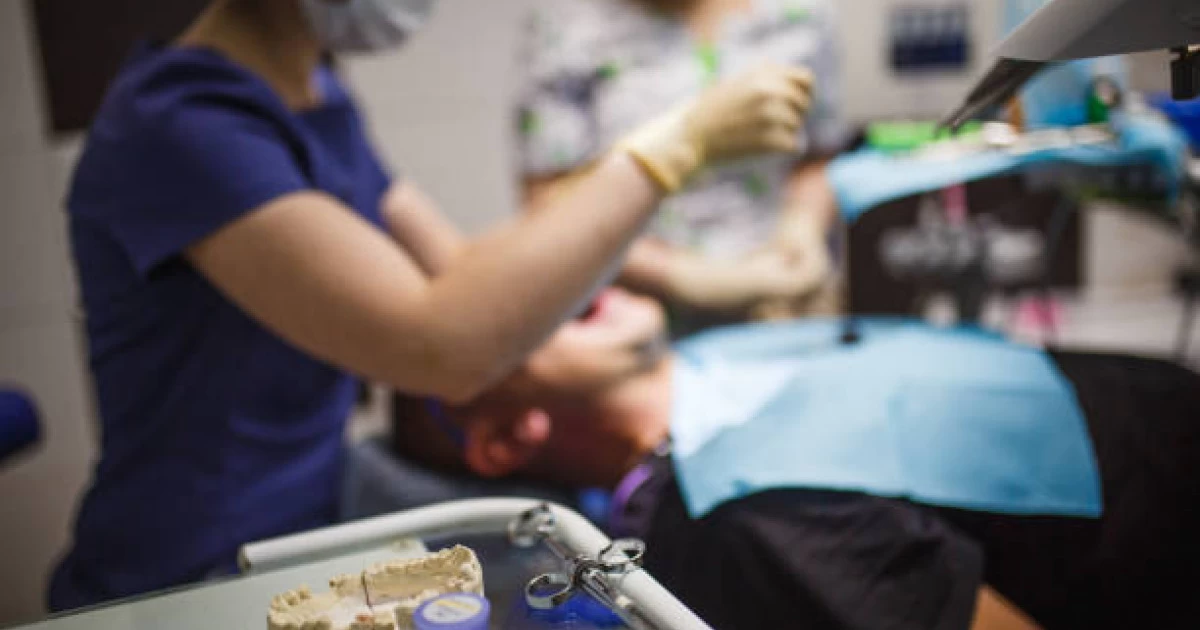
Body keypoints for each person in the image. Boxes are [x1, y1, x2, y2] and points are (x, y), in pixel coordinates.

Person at [50, 0, 817, 610]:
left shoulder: (314, 91)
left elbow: (460, 269)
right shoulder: (180, 127)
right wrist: (670, 149)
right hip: (198, 570)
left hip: (317, 498)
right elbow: (436, 341)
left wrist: (684, 283)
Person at [392, 288, 1200, 630]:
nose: (546, 285)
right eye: (499, 317)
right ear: (504, 437)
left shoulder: (722, 354)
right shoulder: (738, 516)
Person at [516, 0, 849, 334]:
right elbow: (548, 201)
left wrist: (803, 228)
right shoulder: (569, 24)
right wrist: (680, 275)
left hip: (781, 307)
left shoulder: (802, 13)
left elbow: (819, 151)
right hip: (632, 318)